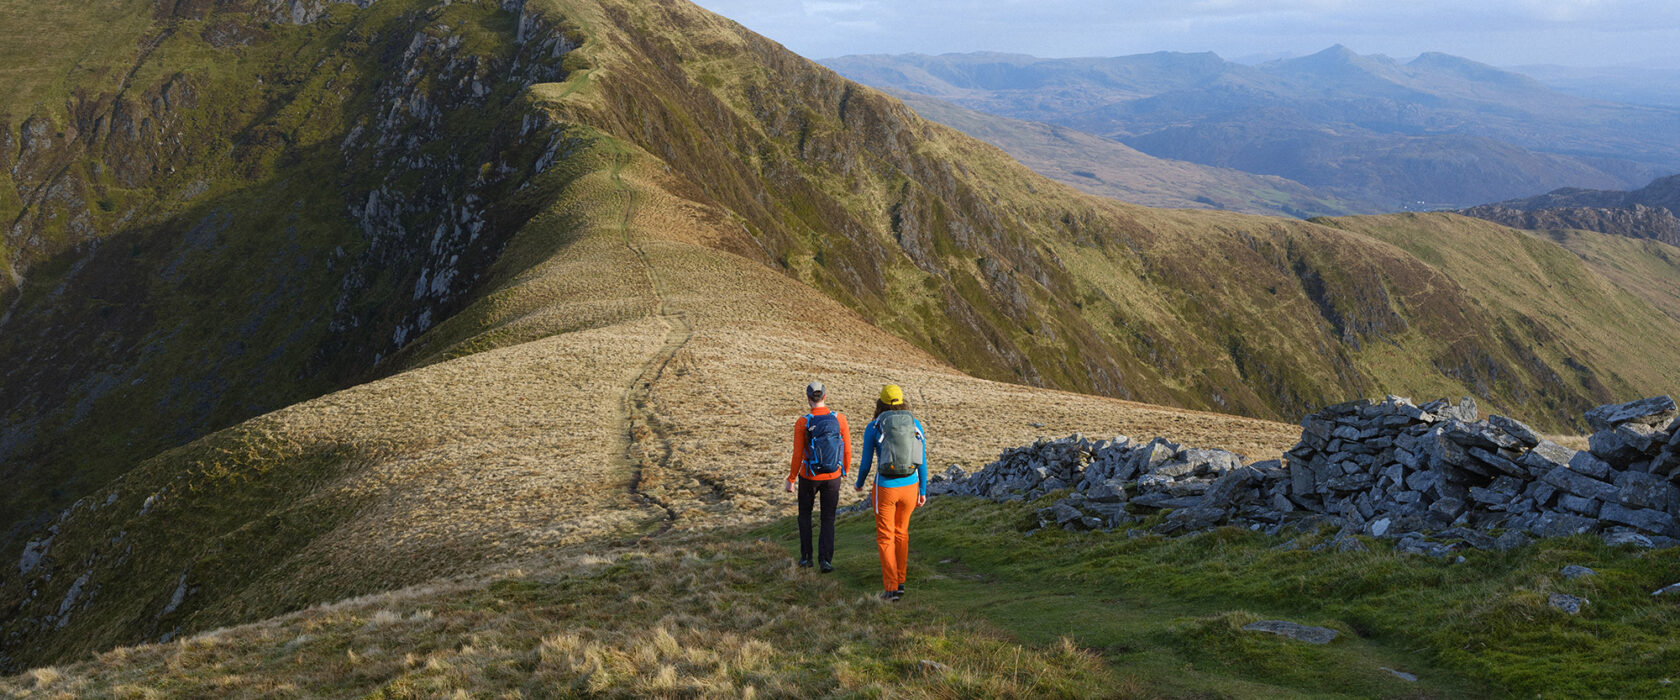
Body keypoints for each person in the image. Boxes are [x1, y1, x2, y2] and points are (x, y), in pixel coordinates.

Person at [854, 384, 927, 601]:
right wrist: (922, 490)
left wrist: (859, 483)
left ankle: (891, 588)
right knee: (901, 533)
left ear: (880, 403)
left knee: (886, 536)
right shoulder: (915, 424)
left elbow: (866, 462)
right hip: (910, 486)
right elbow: (920, 460)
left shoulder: (874, 426)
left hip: (885, 487)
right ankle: (901, 582)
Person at [786, 381, 851, 573]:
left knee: (805, 516)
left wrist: (791, 479)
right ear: (825, 396)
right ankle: (825, 561)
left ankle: (806, 559)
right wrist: (844, 470)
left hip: (809, 476)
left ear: (808, 399)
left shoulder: (802, 422)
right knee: (828, 518)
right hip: (833, 476)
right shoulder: (840, 419)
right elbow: (847, 449)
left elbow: (797, 454)